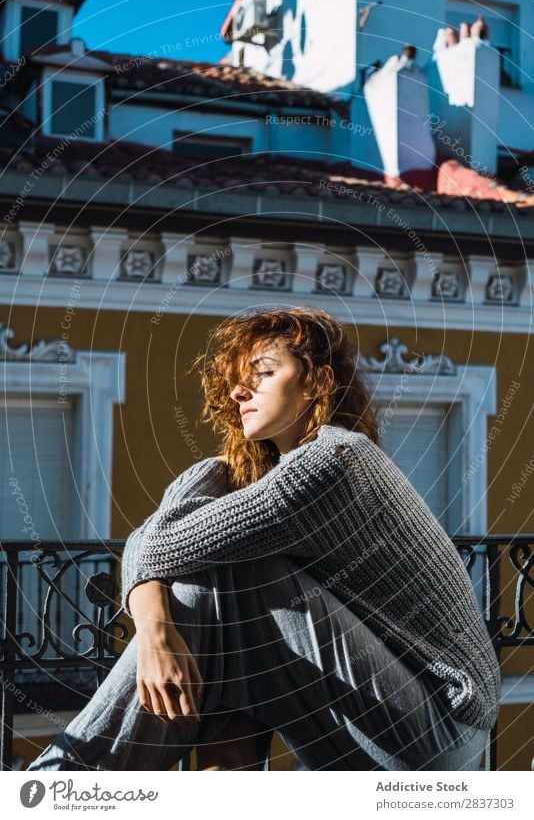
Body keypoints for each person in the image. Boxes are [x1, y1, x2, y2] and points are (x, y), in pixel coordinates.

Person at [28, 306, 501, 772]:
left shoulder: (333, 463)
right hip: (370, 708)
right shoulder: (259, 475)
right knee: (207, 580)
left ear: (317, 381)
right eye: (236, 380)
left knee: (235, 572)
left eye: (264, 373)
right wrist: (155, 633)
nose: (239, 391)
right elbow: (147, 543)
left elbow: (154, 547)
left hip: (437, 727)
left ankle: (69, 778)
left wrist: (158, 622)